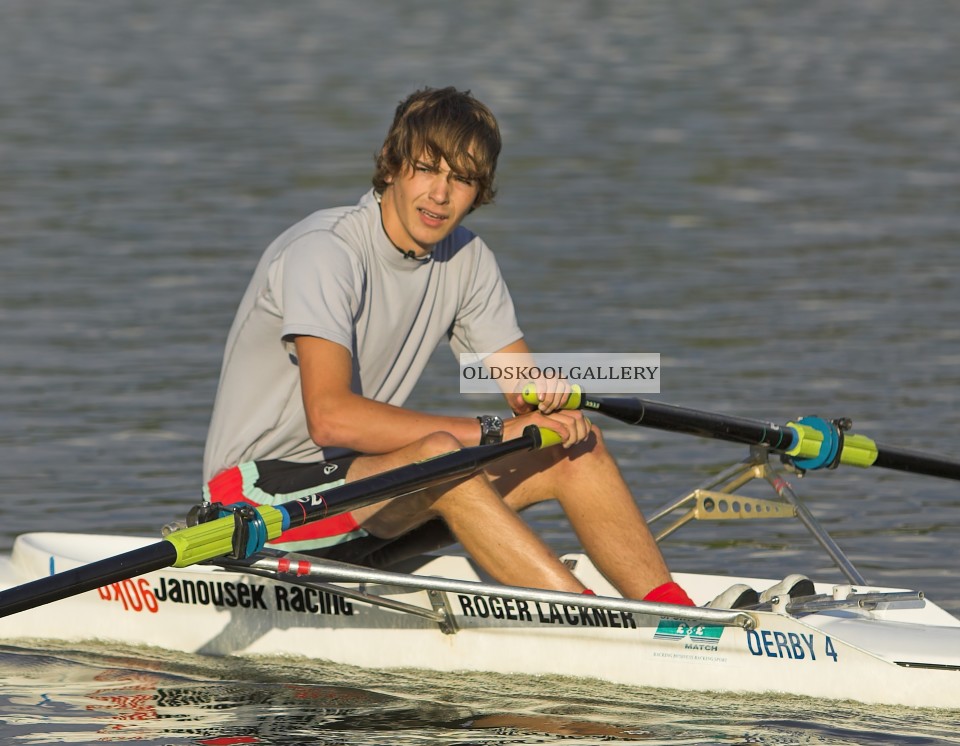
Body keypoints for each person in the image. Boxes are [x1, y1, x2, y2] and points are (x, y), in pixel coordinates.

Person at [202, 86, 695, 606]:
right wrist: (494, 431)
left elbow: (521, 390)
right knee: (442, 456)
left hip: (367, 497)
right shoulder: (325, 253)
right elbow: (330, 419)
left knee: (574, 444)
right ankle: (596, 626)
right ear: (392, 166)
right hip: (255, 504)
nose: (440, 194)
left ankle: (675, 615)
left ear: (478, 191)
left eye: (461, 178)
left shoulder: (468, 260)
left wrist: (546, 398)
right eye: (426, 169)